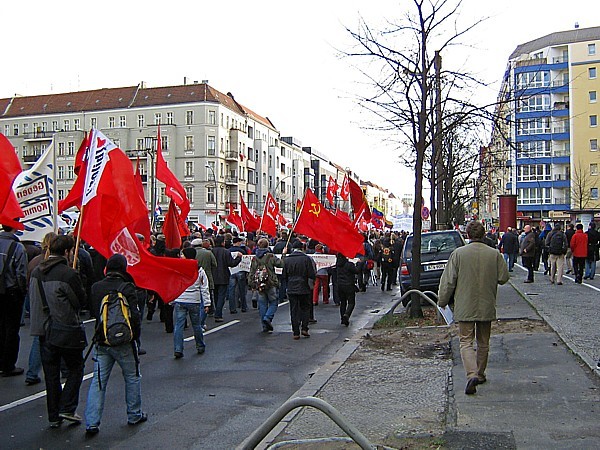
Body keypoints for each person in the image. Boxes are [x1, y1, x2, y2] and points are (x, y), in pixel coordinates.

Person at [438, 220, 509, 395]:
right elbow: (503, 278)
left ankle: (471, 374)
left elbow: (448, 281)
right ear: (484, 234)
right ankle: (481, 373)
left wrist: (442, 301)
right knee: (483, 342)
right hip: (486, 303)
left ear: (468, 235)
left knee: (465, 341)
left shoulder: (458, 254)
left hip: (464, 304)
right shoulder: (494, 254)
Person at [84, 254, 146, 435]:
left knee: (98, 381)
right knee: (132, 377)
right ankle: (134, 414)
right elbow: (135, 316)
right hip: (125, 341)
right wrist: (135, 337)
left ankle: (92, 422)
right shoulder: (127, 287)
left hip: (102, 339)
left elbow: (93, 311)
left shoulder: (96, 287)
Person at [29, 235, 87, 427]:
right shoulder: (68, 274)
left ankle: (53, 415)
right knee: (76, 368)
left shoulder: (37, 271)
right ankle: (67, 407)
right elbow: (79, 301)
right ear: (67, 252)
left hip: (43, 330)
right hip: (65, 328)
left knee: (51, 374)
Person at [0, 224, 28, 378]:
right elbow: (21, 274)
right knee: (11, 329)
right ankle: (8, 365)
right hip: (11, 292)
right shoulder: (17, 247)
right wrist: (22, 291)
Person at [173, 248, 211, 358]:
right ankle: (200, 345)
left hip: (180, 299)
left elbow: (174, 284)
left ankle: (178, 348)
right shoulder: (199, 270)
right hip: (194, 300)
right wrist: (207, 303)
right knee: (196, 325)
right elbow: (204, 287)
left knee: (179, 325)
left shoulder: (179, 269)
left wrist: (172, 298)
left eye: (182, 254)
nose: (180, 256)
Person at [248, 238, 283, 332]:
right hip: (270, 282)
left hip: (259, 283)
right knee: (273, 302)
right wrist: (283, 255)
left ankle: (264, 326)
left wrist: (251, 284)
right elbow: (281, 264)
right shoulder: (270, 256)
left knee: (262, 304)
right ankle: (267, 318)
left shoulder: (255, 258)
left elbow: (252, 271)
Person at [283, 240, 316, 339]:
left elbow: (284, 274)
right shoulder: (306, 259)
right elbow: (312, 273)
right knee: (305, 308)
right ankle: (304, 328)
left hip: (292, 286)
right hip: (304, 285)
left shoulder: (287, 260)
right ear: (302, 248)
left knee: (294, 309)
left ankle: (296, 332)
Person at [211, 235, 242, 322]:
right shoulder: (225, 252)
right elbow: (231, 263)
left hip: (213, 276)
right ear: (222, 242)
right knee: (221, 296)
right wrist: (238, 258)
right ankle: (218, 313)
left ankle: (216, 310)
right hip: (223, 276)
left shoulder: (212, 251)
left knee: (216, 295)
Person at [335, 253, 359, 326]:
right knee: (351, 302)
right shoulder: (349, 264)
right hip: (349, 285)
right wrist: (357, 264)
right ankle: (347, 314)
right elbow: (357, 271)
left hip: (340, 285)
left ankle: (342, 318)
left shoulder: (338, 265)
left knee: (343, 303)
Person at [227, 237, 249, 313]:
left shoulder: (228, 250)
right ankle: (244, 307)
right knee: (242, 290)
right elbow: (246, 261)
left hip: (231, 271)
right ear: (238, 242)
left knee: (231, 290)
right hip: (241, 270)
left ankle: (232, 308)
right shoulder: (242, 250)